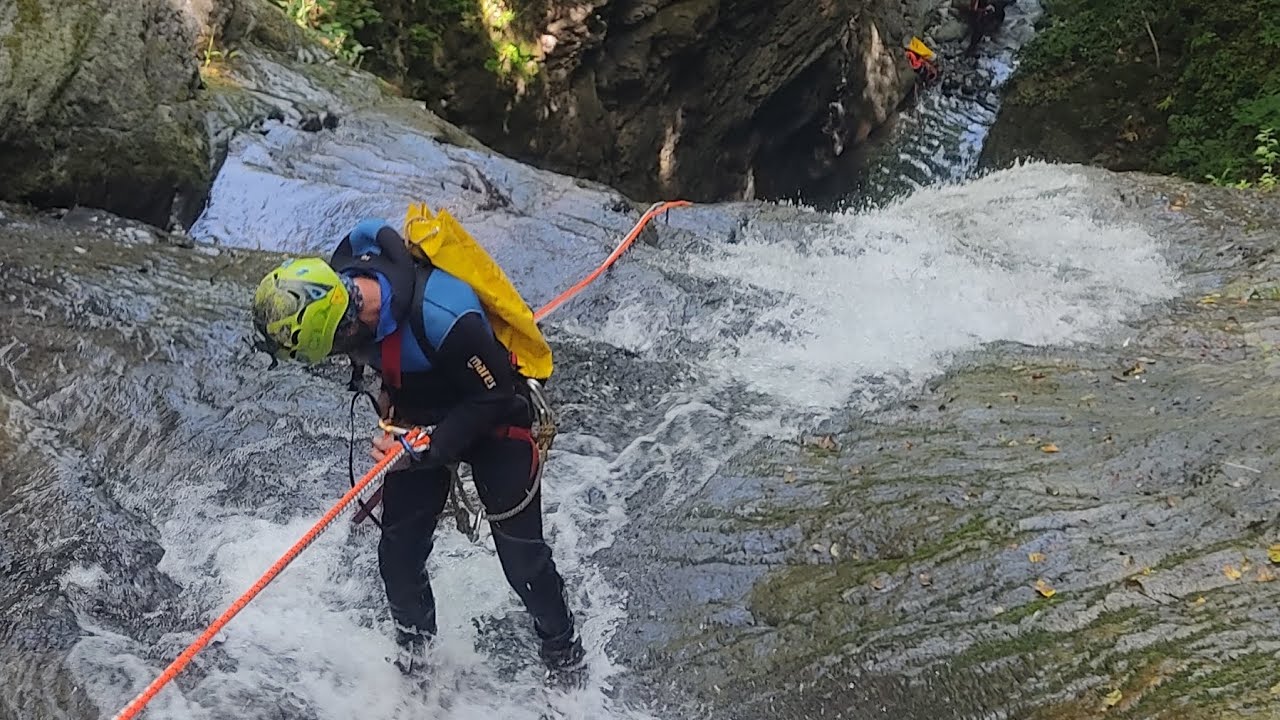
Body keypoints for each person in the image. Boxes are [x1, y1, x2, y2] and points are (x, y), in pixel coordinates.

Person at [249, 218, 585, 678]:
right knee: (398, 558)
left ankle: (564, 653)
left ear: (346, 328)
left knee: (523, 563)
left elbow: (496, 395)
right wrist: (402, 426)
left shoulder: (443, 316)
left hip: (494, 419)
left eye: (331, 350)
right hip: (416, 418)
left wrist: (424, 448)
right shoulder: (340, 294)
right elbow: (383, 362)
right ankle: (418, 667)